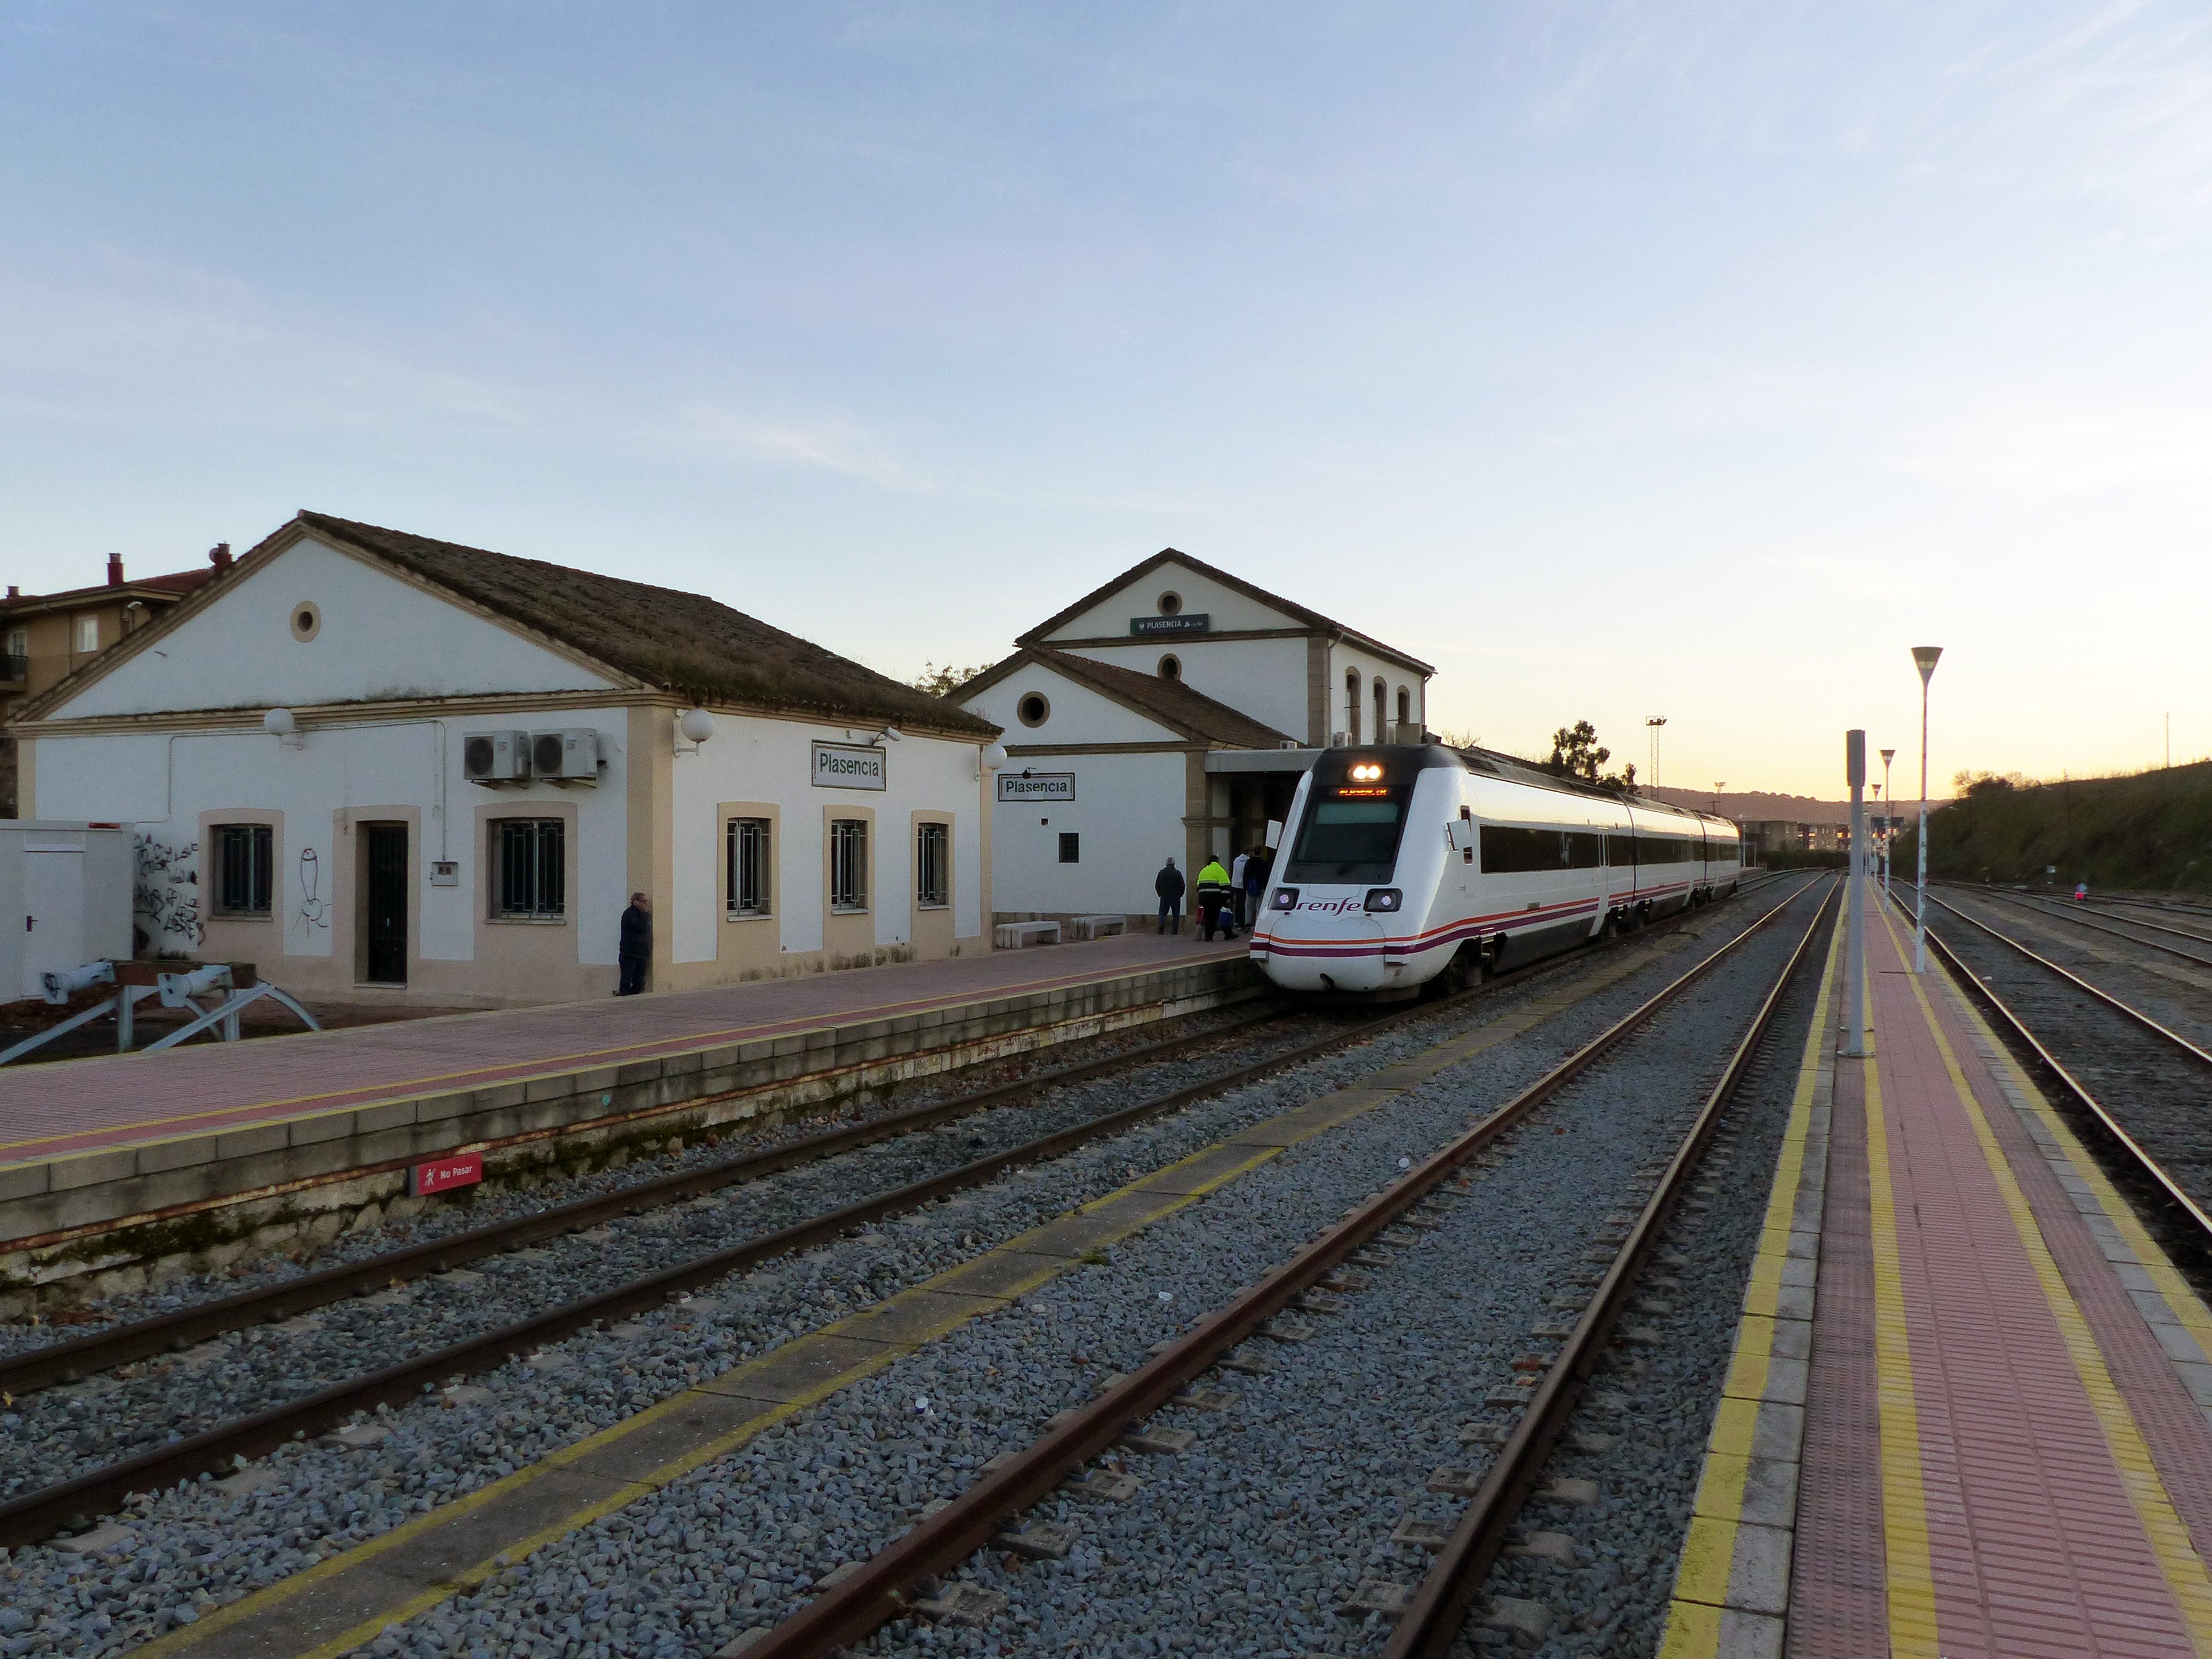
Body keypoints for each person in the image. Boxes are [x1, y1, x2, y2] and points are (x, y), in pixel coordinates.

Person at [617, 892, 652, 995]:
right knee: (627, 980)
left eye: (646, 901)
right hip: (630, 954)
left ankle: (634, 998)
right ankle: (624, 998)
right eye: (644, 901)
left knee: (639, 982)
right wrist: (645, 913)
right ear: (636, 902)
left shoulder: (645, 914)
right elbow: (641, 928)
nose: (646, 904)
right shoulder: (629, 914)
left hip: (642, 954)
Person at [1196, 855, 1234, 940]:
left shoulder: (1204, 870)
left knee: (1210, 916)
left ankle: (1228, 934)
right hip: (1215, 898)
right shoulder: (1219, 870)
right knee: (1215, 917)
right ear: (1217, 861)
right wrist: (1227, 898)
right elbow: (1225, 885)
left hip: (1203, 898)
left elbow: (1198, 886)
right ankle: (1209, 936)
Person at [1155, 858, 1186, 935]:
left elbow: (1157, 885)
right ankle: (1175, 931)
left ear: (1166, 864)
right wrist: (1180, 894)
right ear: (1174, 864)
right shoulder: (1177, 873)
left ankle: (1161, 926)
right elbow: (1182, 885)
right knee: (1176, 914)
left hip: (1164, 896)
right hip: (1175, 897)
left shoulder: (1161, 873)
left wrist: (1160, 894)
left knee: (1163, 913)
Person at [1244, 846, 1269, 921]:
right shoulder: (1264, 863)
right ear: (1261, 852)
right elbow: (1267, 876)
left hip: (1250, 887)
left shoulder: (1248, 862)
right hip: (1261, 886)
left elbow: (1245, 876)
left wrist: (1246, 887)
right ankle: (1257, 923)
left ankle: (1247, 922)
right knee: (1259, 906)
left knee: (1248, 906)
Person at [1230, 848, 1251, 930]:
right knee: (1243, 904)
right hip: (1242, 885)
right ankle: (1242, 923)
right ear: (1250, 853)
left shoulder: (1237, 860)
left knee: (1238, 903)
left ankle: (1237, 921)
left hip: (1235, 884)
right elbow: (1245, 874)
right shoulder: (1247, 861)